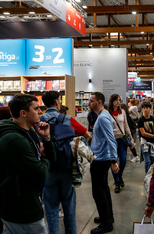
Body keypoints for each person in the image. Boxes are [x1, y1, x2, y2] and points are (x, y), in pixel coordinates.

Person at [0, 94, 56, 234]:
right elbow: (41, 173)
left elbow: (52, 160)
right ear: (23, 113)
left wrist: (47, 139)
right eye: (36, 108)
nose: (40, 112)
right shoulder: (14, 138)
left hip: (24, 200)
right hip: (21, 207)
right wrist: (44, 158)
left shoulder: (30, 131)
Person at [41, 91, 91, 234]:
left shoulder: (39, 120)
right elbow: (86, 134)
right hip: (68, 167)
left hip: (48, 169)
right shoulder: (68, 119)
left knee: (51, 210)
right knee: (69, 209)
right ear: (57, 101)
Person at [88, 92, 119, 234]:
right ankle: (107, 217)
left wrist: (114, 161)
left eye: (91, 101)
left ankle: (107, 224)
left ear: (99, 102)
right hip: (100, 158)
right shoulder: (101, 116)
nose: (88, 103)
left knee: (98, 192)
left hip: (101, 160)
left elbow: (111, 139)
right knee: (103, 190)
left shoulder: (103, 118)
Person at [107, 94, 134, 194]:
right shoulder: (107, 113)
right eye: (117, 100)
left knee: (123, 160)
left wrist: (130, 137)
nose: (119, 102)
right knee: (113, 161)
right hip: (111, 140)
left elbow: (126, 125)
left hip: (122, 140)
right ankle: (117, 181)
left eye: (119, 100)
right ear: (112, 101)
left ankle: (119, 175)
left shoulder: (122, 111)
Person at [138, 102, 154, 174]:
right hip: (145, 143)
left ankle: (151, 175)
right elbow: (143, 133)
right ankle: (147, 175)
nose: (145, 109)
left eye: (147, 108)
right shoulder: (141, 120)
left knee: (153, 160)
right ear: (142, 109)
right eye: (144, 108)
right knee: (147, 161)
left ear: (150, 109)